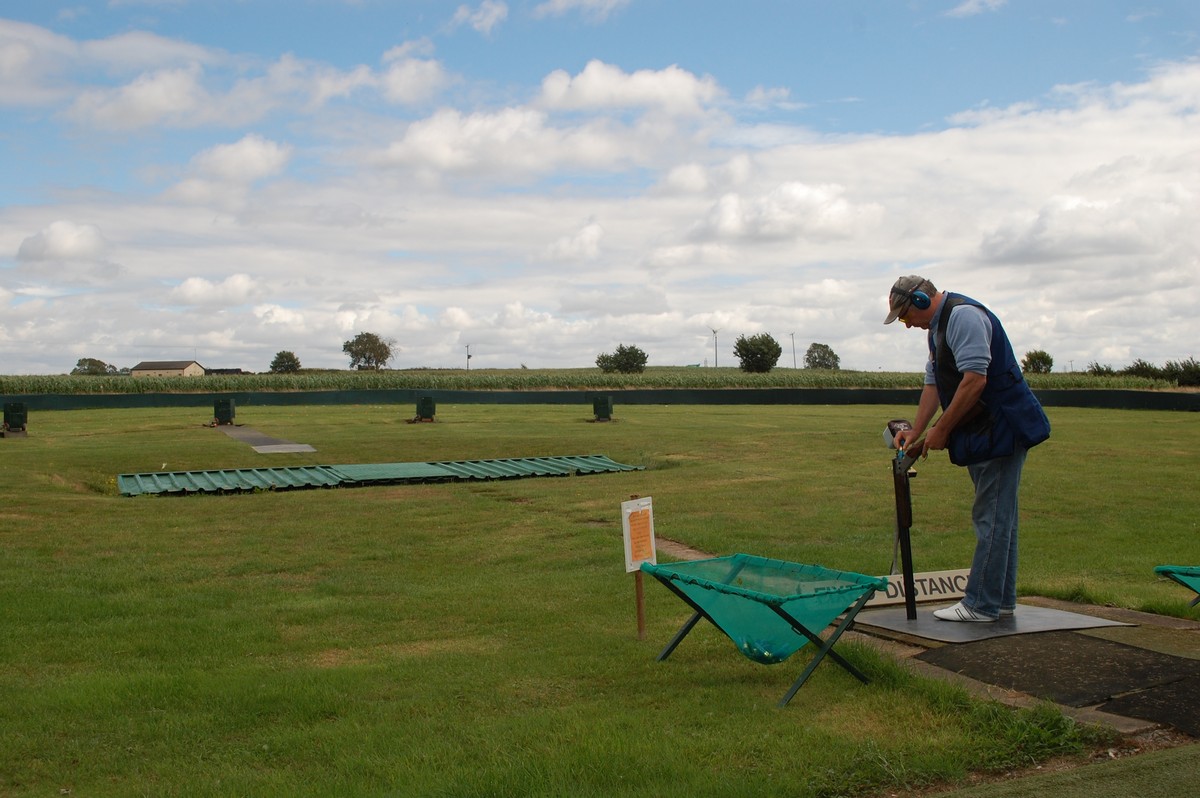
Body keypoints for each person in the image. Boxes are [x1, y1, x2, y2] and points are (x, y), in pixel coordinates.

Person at [884, 275, 1051, 622]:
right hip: (987, 429)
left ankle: (980, 605)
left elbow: (975, 379)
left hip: (1001, 428)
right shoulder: (938, 328)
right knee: (1000, 517)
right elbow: (934, 382)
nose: (906, 324)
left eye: (904, 316)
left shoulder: (963, 317)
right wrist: (917, 430)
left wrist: (942, 429)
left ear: (918, 301)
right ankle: (1001, 600)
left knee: (991, 517)